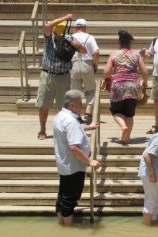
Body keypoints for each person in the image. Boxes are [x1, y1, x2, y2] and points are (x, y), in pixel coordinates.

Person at [53, 90, 100, 227]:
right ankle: (68, 229)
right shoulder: (71, 121)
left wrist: (88, 126)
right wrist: (90, 161)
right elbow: (74, 147)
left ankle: (61, 225)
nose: (82, 107)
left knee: (62, 196)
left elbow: (71, 129)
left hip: (64, 164)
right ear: (72, 106)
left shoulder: (60, 116)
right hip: (74, 167)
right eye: (80, 104)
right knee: (70, 199)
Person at [36, 13, 86, 140]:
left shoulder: (69, 39)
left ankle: (62, 130)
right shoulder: (49, 38)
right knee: (44, 105)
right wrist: (65, 17)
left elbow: (84, 51)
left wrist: (78, 45)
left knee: (63, 107)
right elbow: (47, 26)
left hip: (64, 76)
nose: (60, 34)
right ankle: (42, 129)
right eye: (58, 31)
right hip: (48, 75)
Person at [104, 30, 148, 144]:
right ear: (130, 43)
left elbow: (106, 72)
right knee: (129, 114)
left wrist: (110, 78)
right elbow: (145, 71)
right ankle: (126, 138)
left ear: (119, 43)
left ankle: (123, 126)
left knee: (116, 111)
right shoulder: (136, 54)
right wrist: (145, 83)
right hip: (133, 86)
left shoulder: (114, 54)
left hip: (118, 85)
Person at [70, 18, 100, 124]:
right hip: (87, 64)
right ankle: (88, 110)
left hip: (73, 65)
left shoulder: (70, 38)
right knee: (91, 89)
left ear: (75, 27)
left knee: (76, 92)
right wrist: (95, 65)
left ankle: (77, 115)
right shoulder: (89, 37)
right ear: (85, 27)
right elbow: (96, 52)